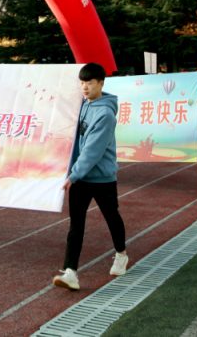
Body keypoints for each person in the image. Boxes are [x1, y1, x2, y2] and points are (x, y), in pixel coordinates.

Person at [53, 63, 127, 291]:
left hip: (102, 178)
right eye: (82, 82)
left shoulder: (105, 113)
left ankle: (121, 255)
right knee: (76, 225)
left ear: (101, 83)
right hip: (80, 177)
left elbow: (93, 150)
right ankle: (70, 272)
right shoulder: (83, 104)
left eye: (90, 83)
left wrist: (73, 175)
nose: (84, 87)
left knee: (111, 217)